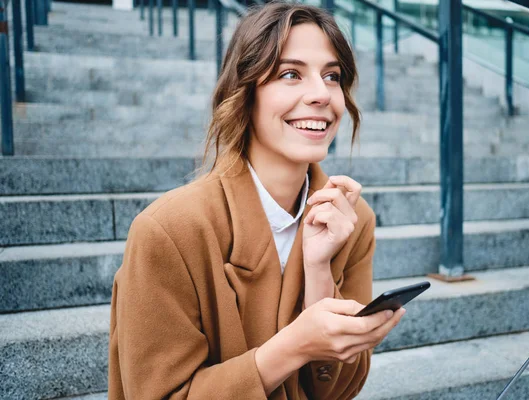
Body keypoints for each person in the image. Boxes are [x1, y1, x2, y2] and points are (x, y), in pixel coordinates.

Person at [107, 2, 405, 399]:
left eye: (332, 76)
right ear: (245, 91)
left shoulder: (352, 219)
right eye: (290, 74)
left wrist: (318, 273)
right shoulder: (168, 231)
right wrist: (296, 344)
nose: (321, 94)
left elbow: (339, 391)